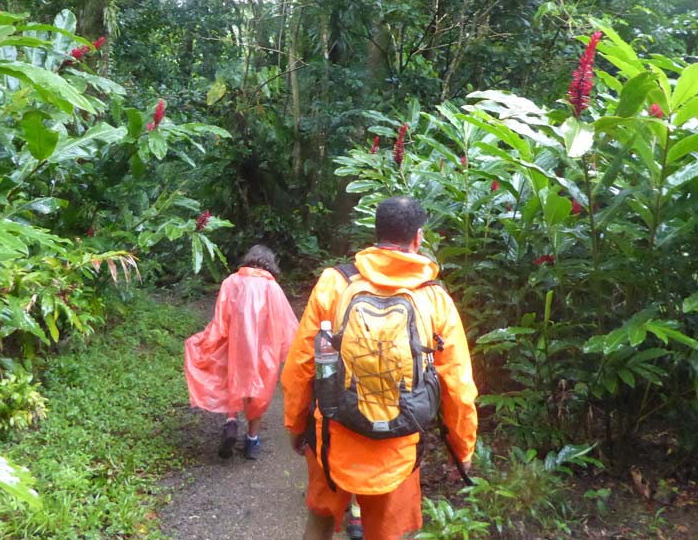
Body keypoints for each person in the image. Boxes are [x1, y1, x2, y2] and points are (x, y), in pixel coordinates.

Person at [282, 197, 478, 540]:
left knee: (320, 520)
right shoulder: (434, 298)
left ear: (376, 233)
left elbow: (301, 364)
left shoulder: (335, 282)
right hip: (398, 444)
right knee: (386, 533)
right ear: (418, 238)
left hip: (332, 434)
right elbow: (458, 384)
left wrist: (296, 425)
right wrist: (463, 450)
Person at [185, 245, 299, 460]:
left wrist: (208, 342)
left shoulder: (231, 282)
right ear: (270, 263)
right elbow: (284, 325)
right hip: (263, 351)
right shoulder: (271, 288)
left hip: (234, 346)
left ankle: (230, 423)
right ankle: (251, 440)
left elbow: (221, 320)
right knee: (259, 391)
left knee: (232, 380)